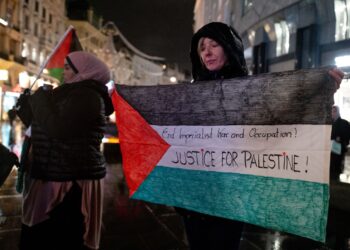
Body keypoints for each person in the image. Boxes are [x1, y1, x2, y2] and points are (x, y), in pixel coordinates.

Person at [177, 22, 345, 250]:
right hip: (195, 197)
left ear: (228, 48)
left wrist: (321, 90)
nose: (207, 52)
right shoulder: (191, 93)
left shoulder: (252, 91)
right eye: (202, 47)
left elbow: (283, 115)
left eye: (214, 45)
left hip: (231, 196)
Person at [15, 51, 114, 250]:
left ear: (84, 71)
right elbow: (43, 126)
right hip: (53, 173)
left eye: (68, 68)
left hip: (70, 180)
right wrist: (26, 106)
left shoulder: (88, 96)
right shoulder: (69, 93)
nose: (63, 72)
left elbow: (59, 129)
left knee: (61, 237)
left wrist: (41, 101)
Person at [330, 105, 350, 180]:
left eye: (334, 111)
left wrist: (340, 139)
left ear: (338, 112)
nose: (333, 113)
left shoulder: (344, 123)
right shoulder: (329, 123)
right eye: (331, 111)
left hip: (339, 150)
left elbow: (347, 137)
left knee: (337, 168)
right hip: (330, 150)